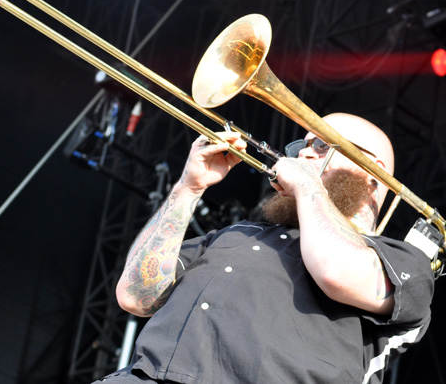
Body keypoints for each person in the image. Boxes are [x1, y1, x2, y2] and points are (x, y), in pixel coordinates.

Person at [95, 113, 434, 384]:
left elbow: (336, 272)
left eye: (320, 146)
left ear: (369, 171)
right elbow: (135, 297)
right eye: (303, 144)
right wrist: (188, 187)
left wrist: (305, 183)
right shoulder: (237, 233)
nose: (301, 153)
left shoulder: (402, 261)